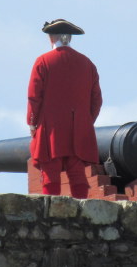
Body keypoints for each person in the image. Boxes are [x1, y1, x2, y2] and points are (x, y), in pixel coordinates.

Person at [27, 19, 103, 199]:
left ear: (52, 38)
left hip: (51, 127)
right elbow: (97, 100)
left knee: (50, 172)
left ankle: (52, 212)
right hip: (79, 128)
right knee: (77, 174)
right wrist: (85, 121)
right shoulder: (88, 64)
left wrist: (32, 123)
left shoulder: (43, 61)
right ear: (69, 37)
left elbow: (34, 96)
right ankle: (81, 213)